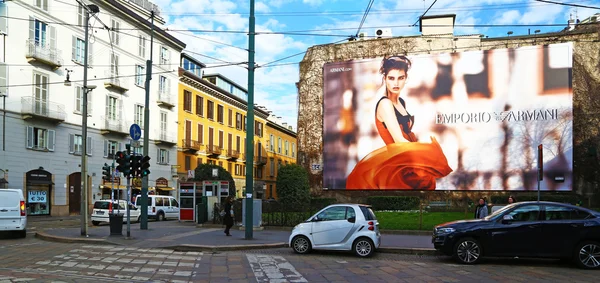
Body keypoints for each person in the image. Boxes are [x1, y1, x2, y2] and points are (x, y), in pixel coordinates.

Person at [346, 55, 452, 190]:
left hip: (407, 160)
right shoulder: (385, 104)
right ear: (385, 79)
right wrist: (425, 156)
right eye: (391, 78)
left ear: (406, 79)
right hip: (398, 166)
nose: (396, 83)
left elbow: (406, 134)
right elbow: (399, 140)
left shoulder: (401, 102)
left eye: (400, 78)